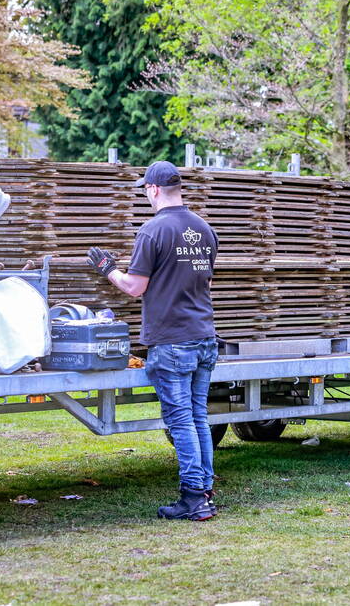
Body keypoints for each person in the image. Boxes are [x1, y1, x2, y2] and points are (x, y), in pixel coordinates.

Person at [86, 160, 220, 520]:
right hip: (205, 337)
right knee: (198, 417)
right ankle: (205, 491)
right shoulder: (205, 230)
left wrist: (107, 269)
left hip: (172, 342)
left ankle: (193, 498)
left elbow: (134, 287)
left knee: (181, 420)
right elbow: (204, 284)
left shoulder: (153, 231)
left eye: (145, 190)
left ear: (154, 189)